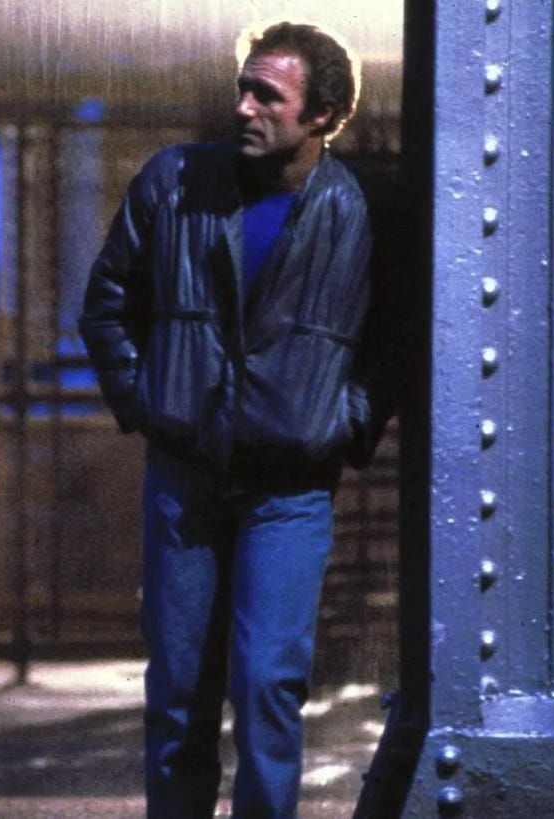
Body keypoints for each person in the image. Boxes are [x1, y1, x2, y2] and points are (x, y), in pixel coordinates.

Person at [79, 21, 409, 819]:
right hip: (186, 476)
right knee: (179, 691)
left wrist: (344, 421)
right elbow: (107, 302)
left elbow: (395, 336)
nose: (244, 107)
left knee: (267, 685)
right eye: (244, 88)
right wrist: (148, 400)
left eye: (268, 95)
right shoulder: (174, 182)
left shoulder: (363, 208)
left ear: (321, 115)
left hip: (289, 489)